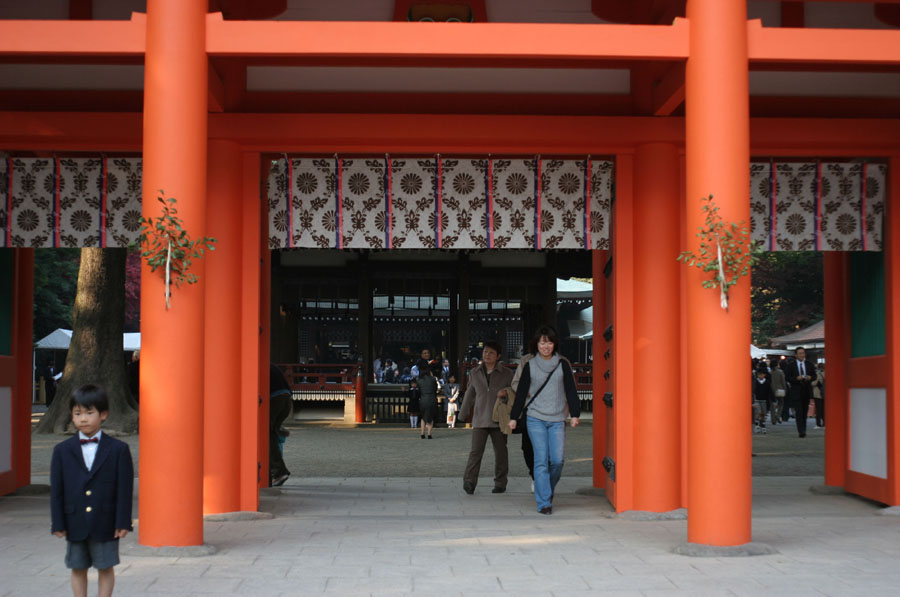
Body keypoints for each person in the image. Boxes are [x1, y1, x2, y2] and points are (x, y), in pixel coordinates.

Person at [50, 384, 134, 597]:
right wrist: (58, 522)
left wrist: (123, 521)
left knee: (106, 566)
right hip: (74, 520)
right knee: (77, 567)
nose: (83, 419)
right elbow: (57, 490)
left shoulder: (118, 449)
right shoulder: (61, 451)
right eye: (78, 413)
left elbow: (124, 489)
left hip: (105, 521)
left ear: (103, 414)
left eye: (89, 412)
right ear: (72, 416)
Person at [509, 325, 581, 515]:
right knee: (541, 461)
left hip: (557, 418)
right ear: (537, 345)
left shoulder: (562, 364)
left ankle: (544, 490)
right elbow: (521, 393)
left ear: (554, 344)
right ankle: (544, 502)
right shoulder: (530, 365)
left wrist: (575, 414)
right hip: (535, 418)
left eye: (549, 342)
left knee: (556, 461)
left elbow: (571, 390)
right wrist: (513, 417)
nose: (546, 346)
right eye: (543, 343)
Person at [459, 342, 514, 494]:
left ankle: (500, 482)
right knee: (475, 451)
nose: (487, 355)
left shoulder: (507, 374)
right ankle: (469, 481)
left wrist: (506, 393)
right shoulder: (475, 372)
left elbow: (514, 392)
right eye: (485, 352)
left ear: (498, 356)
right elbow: (470, 393)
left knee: (501, 452)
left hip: (499, 419)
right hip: (480, 417)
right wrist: (462, 414)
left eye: (491, 352)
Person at [269, 363, 293, 486]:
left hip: (274, 399)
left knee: (266, 434)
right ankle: (279, 430)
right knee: (271, 433)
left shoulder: (258, 365)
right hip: (286, 399)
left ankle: (278, 471)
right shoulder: (271, 366)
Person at [786, 346, 817, 438]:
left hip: (806, 391)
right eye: (800, 353)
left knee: (804, 412)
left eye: (803, 353)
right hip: (796, 391)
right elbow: (787, 377)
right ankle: (801, 431)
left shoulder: (809, 364)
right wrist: (796, 378)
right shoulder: (791, 365)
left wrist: (810, 378)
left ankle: (804, 428)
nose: (802, 355)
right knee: (799, 412)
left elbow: (814, 376)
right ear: (796, 355)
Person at [417, 361, 439, 439]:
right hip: (431, 398)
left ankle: (422, 433)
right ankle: (429, 434)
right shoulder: (433, 379)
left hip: (423, 399)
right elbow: (436, 389)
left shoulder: (419, 380)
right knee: (430, 416)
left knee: (423, 416)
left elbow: (418, 391)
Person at [752, 363, 774, 434]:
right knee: (758, 412)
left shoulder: (767, 383)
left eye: (761, 374)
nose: (760, 376)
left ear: (764, 375)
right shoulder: (756, 382)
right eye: (759, 374)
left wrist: (773, 400)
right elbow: (753, 391)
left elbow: (770, 392)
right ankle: (756, 425)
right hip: (757, 400)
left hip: (765, 400)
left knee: (763, 414)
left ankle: (763, 425)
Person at [769, 357, 786, 425]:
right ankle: (778, 415)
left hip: (771, 390)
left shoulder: (770, 372)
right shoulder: (780, 372)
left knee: (772, 405)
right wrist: (785, 389)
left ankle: (773, 419)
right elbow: (783, 381)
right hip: (780, 390)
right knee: (781, 403)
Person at [813, 361, 825, 429]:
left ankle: (818, 424)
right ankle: (825, 423)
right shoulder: (828, 373)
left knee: (818, 410)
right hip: (825, 394)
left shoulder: (815, 374)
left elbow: (812, 383)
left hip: (817, 394)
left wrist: (817, 382)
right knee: (824, 410)